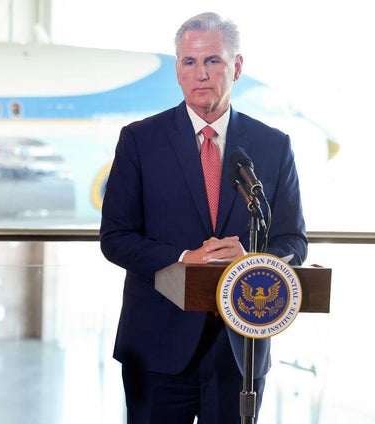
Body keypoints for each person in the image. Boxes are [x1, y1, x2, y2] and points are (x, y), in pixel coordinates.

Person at [99, 12, 307, 423]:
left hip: (238, 346)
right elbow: (116, 237)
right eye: (189, 62)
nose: (201, 74)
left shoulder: (272, 145)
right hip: (157, 343)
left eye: (213, 61)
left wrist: (251, 261)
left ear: (237, 66)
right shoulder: (140, 140)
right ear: (177, 69)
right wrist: (181, 258)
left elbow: (293, 242)